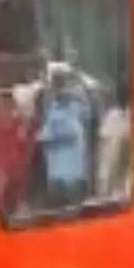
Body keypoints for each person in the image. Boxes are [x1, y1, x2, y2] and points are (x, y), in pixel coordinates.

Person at [34, 63, 93, 207]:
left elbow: (70, 132)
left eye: (59, 82)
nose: (57, 88)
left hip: (71, 174)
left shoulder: (75, 105)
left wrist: (46, 138)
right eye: (55, 82)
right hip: (56, 172)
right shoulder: (53, 106)